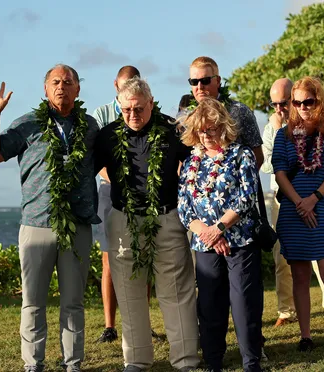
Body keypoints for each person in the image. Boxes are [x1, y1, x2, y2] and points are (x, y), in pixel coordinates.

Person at [0, 64, 100, 372]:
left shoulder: (90, 126)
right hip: (36, 223)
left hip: (78, 225)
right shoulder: (28, 124)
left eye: (68, 82)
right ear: (45, 90)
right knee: (33, 302)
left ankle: (72, 364)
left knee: (73, 302)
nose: (62, 86)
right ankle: (33, 364)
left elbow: (105, 163)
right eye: (55, 82)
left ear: (78, 89)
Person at [94, 77, 199, 372]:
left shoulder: (172, 131)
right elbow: (87, 171)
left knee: (176, 291)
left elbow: (196, 165)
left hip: (167, 217)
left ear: (151, 103)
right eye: (126, 110)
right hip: (122, 218)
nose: (133, 115)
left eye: (139, 109)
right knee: (129, 292)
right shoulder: (107, 136)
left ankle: (186, 360)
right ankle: (136, 360)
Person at [178, 98, 263, 372]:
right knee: (210, 304)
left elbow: (246, 197)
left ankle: (251, 361)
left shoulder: (241, 154)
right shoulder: (192, 160)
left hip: (239, 240)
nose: (206, 135)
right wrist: (207, 233)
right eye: (202, 130)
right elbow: (184, 206)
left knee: (243, 303)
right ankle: (213, 360)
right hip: (205, 244)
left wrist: (220, 228)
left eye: (212, 129)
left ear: (223, 127)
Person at [272, 76, 324, 352]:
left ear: (319, 100)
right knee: (300, 275)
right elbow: (281, 173)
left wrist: (314, 198)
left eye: (309, 101)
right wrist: (299, 202)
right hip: (295, 211)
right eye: (297, 102)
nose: (303, 106)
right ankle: (305, 336)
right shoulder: (284, 134)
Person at [261, 78, 324, 329]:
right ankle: (286, 310)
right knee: (282, 259)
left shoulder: (315, 126)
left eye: (284, 103)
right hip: (283, 200)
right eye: (275, 104)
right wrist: (278, 128)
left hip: (313, 197)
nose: (279, 108)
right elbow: (269, 165)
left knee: (319, 259)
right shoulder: (272, 128)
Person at [91, 65, 141, 344]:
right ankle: (109, 326)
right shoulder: (101, 114)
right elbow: (97, 161)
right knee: (109, 257)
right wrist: (120, 181)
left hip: (142, 192)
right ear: (115, 85)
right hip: (110, 190)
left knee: (142, 254)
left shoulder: (145, 107)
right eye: (123, 86)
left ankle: (141, 321)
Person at [184, 56, 264, 168]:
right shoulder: (188, 117)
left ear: (217, 81)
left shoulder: (240, 111)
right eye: (194, 81)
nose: (200, 86)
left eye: (205, 81)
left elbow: (257, 156)